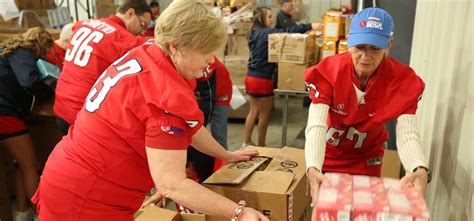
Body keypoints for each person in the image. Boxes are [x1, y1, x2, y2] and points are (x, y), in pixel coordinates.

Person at [32, 1, 268, 221]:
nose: (211, 61)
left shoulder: (150, 53)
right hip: (87, 196)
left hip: (74, 173)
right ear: (176, 47)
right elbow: (172, 184)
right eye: (205, 52)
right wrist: (238, 211)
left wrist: (226, 155)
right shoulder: (164, 96)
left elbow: (192, 129)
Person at [304, 7, 431, 207]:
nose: (366, 56)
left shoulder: (402, 80)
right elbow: (316, 125)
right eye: (360, 47)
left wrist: (418, 167)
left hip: (366, 157)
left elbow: (407, 132)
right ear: (349, 41)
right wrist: (313, 166)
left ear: (389, 45)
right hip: (328, 155)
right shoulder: (330, 71)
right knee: (327, 210)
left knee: (363, 210)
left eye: (375, 48)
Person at [53, 0, 152, 134]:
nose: (142, 31)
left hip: (61, 105)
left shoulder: (83, 24)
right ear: (130, 13)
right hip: (83, 114)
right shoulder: (124, 40)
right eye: (142, 25)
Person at [243, 6, 323, 147]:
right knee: (264, 115)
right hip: (263, 79)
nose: (272, 19)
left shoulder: (253, 32)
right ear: (260, 18)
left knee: (253, 111)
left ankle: (246, 142)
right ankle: (262, 146)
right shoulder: (267, 33)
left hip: (250, 77)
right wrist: (310, 26)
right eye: (268, 16)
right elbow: (286, 32)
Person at [0, 27, 55, 221]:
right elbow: (29, 81)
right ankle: (42, 215)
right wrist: (49, 91)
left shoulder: (7, 50)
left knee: (19, 166)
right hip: (5, 113)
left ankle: (22, 214)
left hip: (5, 111)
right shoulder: (22, 52)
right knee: (31, 166)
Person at [188, 56, 232, 182]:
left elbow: (208, 98)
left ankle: (222, 175)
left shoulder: (204, 64)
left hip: (220, 94)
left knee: (218, 135)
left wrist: (200, 124)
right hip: (203, 94)